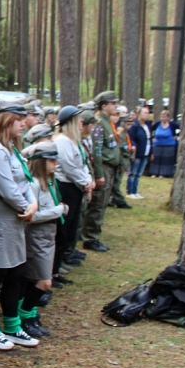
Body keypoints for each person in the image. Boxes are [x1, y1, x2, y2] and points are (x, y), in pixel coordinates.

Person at [0, 101, 39, 351]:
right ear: (4, 121)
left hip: (15, 217)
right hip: (0, 216)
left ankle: (12, 326)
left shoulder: (11, 149)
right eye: (18, 119)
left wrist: (32, 204)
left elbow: (25, 182)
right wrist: (27, 207)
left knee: (16, 271)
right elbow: (7, 189)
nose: (23, 123)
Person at [19, 142, 67, 337]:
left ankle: (30, 314)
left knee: (35, 280)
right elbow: (31, 216)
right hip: (36, 238)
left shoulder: (49, 182)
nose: (55, 164)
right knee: (44, 282)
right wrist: (59, 211)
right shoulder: (34, 184)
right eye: (51, 160)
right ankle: (23, 314)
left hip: (48, 237)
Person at [51, 106, 94, 283]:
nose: (81, 125)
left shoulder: (73, 141)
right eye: (78, 121)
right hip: (66, 188)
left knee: (69, 229)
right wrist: (85, 183)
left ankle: (56, 268)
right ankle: (52, 270)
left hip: (75, 187)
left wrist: (88, 181)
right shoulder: (62, 141)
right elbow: (69, 167)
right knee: (62, 230)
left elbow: (82, 165)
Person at [80, 91, 121, 252]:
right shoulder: (98, 123)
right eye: (113, 103)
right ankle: (90, 237)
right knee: (98, 203)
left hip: (109, 167)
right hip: (103, 167)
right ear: (105, 105)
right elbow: (96, 150)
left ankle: (92, 234)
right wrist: (99, 174)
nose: (115, 106)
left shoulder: (107, 122)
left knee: (102, 203)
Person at [109, 107, 133, 209]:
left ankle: (113, 199)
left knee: (117, 182)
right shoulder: (119, 133)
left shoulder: (124, 133)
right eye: (128, 123)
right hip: (119, 161)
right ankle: (120, 201)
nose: (130, 126)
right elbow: (119, 148)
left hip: (123, 161)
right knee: (116, 183)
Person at [126, 105, 152, 198]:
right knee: (133, 172)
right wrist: (133, 147)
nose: (147, 115)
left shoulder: (148, 125)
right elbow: (131, 138)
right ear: (139, 114)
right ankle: (130, 191)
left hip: (146, 152)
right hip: (137, 153)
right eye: (145, 113)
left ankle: (135, 190)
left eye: (148, 113)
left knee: (139, 173)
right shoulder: (135, 126)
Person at [149, 109, 180, 177]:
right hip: (157, 144)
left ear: (168, 117)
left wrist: (177, 135)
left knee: (166, 160)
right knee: (156, 159)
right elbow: (150, 129)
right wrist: (152, 137)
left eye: (164, 117)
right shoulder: (158, 124)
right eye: (162, 117)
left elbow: (180, 127)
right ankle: (154, 173)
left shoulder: (172, 124)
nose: (163, 118)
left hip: (169, 145)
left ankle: (163, 173)